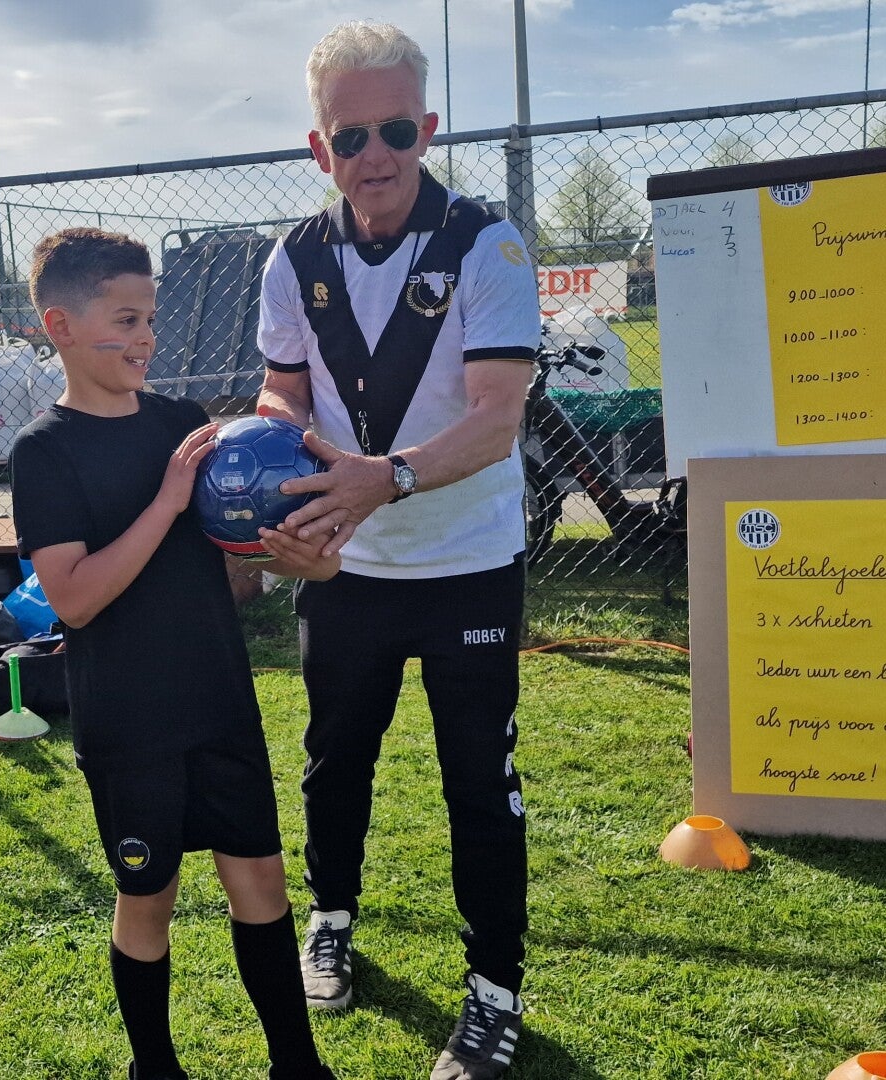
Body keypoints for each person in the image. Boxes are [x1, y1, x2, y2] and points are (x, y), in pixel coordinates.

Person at [253, 22, 542, 1080]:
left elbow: (497, 417)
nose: (374, 155)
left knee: (479, 782)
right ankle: (329, 920)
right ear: (318, 147)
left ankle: (495, 991)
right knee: (336, 759)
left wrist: (390, 477)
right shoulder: (292, 256)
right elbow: (283, 391)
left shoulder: (487, 245)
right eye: (350, 136)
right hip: (347, 565)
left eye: (394, 131)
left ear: (427, 128)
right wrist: (271, 454)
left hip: (467, 559)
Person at [10, 228, 340, 1080]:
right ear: (61, 326)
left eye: (151, 318)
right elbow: (74, 598)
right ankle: (154, 1068)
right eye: (126, 319)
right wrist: (165, 499)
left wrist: (299, 555)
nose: (147, 338)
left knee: (260, 883)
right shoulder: (44, 451)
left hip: (216, 698)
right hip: (129, 721)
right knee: (147, 899)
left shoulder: (183, 425)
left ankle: (297, 1067)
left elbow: (228, 554)